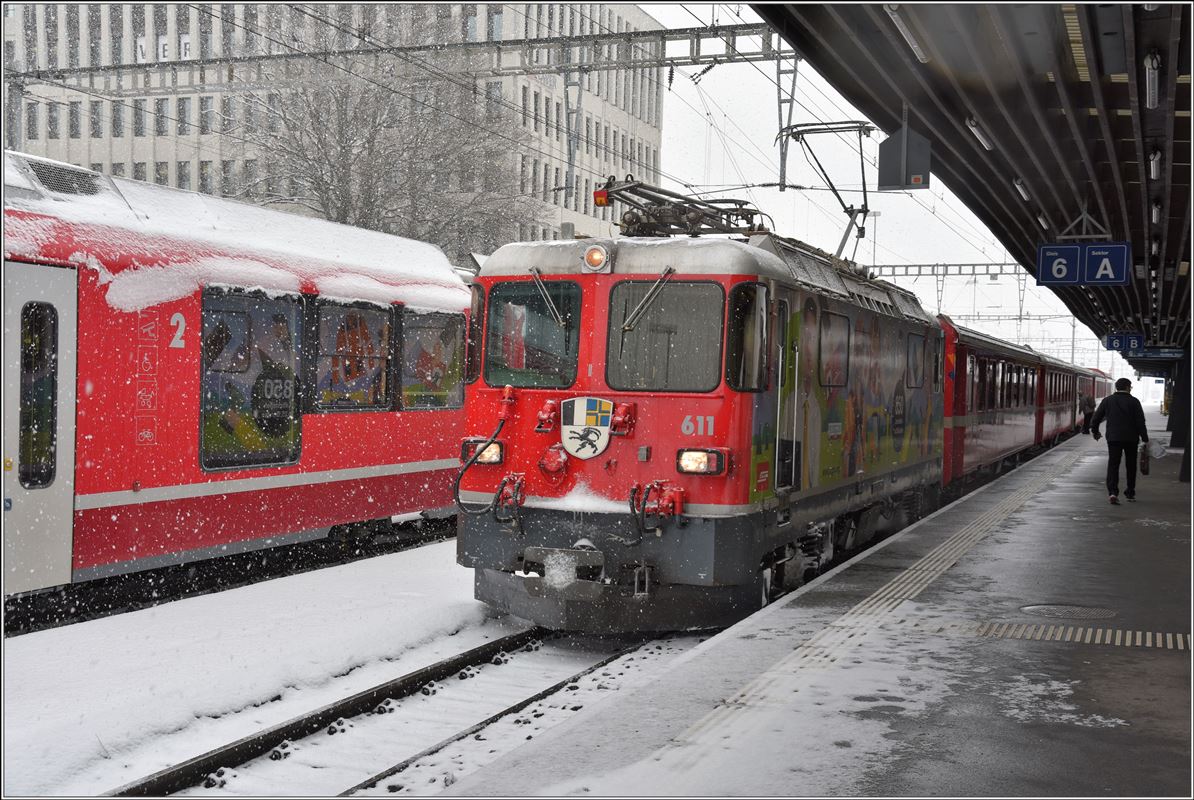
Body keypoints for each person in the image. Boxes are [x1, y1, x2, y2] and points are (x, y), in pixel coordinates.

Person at [1090, 378, 1149, 504]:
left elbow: (1096, 418)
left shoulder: (1108, 400)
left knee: (1113, 465)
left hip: (1113, 438)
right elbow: (1140, 422)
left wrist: (1095, 431)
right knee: (1131, 465)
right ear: (1128, 387)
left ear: (1117, 387)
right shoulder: (1134, 402)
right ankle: (1130, 492)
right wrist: (1145, 439)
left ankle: (1112, 492)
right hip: (1131, 438)